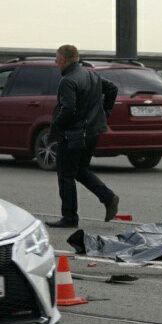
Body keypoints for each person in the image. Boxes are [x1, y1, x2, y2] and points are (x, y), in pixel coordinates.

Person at [46, 44, 119, 228]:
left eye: (56, 59)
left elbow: (68, 109)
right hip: (92, 133)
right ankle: (108, 197)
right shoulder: (91, 74)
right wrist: (105, 112)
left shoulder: (68, 80)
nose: (56, 63)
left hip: (73, 135)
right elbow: (112, 89)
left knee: (65, 175)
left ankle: (69, 218)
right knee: (79, 170)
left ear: (63, 60)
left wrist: (56, 125)